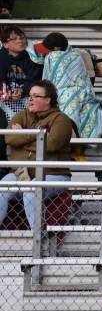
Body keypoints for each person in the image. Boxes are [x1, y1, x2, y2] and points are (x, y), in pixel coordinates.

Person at [0, 80, 74, 229]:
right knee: (1, 189)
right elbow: (9, 138)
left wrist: (24, 135)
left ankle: (38, 238)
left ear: (48, 100)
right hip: (21, 173)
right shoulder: (21, 115)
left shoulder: (61, 119)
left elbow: (51, 144)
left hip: (54, 174)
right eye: (30, 95)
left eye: (36, 96)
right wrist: (39, 136)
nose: (30, 99)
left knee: (31, 192)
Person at [35, 32, 102, 139]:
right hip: (85, 92)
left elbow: (50, 82)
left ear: (56, 49)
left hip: (74, 92)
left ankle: (69, 133)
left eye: (47, 50)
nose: (44, 54)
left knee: (65, 100)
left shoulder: (53, 56)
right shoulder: (76, 54)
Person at [0, 26, 43, 119]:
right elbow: (1, 80)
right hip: (6, 96)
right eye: (14, 39)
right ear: (5, 44)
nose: (20, 41)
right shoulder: (1, 57)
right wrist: (6, 92)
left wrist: (22, 90)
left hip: (26, 95)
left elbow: (34, 80)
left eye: (22, 38)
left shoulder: (32, 58)